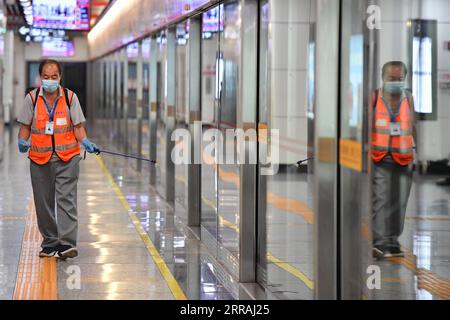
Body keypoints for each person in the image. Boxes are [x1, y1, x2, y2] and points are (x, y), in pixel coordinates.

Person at [17, 59, 100, 259]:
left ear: (60, 77)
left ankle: (67, 244)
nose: (50, 81)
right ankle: (50, 242)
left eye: (54, 77)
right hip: (39, 159)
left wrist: (86, 142)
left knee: (66, 200)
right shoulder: (32, 98)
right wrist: (22, 141)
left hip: (68, 158)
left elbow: (78, 127)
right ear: (40, 78)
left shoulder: (70, 98)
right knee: (43, 203)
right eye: (46, 77)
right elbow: (25, 127)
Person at [371, 61, 417, 259]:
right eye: (391, 79)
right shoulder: (373, 97)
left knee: (399, 203)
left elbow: (413, 126)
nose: (396, 82)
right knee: (381, 200)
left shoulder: (408, 97)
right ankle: (380, 242)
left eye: (399, 79)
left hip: (404, 157)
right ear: (383, 78)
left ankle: (392, 240)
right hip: (380, 157)